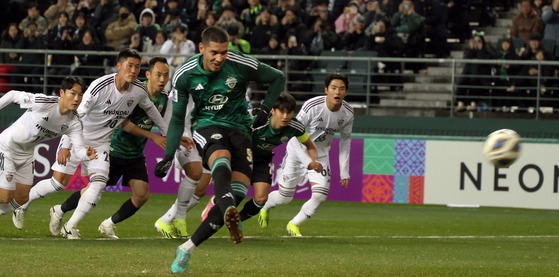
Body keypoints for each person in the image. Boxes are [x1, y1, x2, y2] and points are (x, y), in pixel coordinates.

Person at [153, 26, 285, 273]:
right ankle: (228, 211)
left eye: (224, 52)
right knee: (220, 157)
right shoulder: (185, 74)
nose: (220, 58)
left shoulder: (239, 62)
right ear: (201, 48)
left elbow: (278, 77)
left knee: (237, 192)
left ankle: (187, 249)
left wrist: (265, 109)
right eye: (214, 52)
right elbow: (177, 119)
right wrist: (169, 155)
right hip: (206, 126)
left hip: (241, 129)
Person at [13, 49, 169, 239]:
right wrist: (65, 145)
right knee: (58, 183)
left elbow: (152, 111)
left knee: (98, 184)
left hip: (101, 144)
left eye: (137, 66)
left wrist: (167, 133)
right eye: (129, 65)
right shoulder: (100, 87)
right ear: (118, 66)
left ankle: (70, 227)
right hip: (78, 136)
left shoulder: (139, 90)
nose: (134, 70)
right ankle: (22, 205)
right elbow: (75, 116)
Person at [258, 73, 354, 237]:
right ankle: (265, 207)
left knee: (320, 195)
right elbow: (294, 135)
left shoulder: (348, 113)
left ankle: (294, 224)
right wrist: (308, 161)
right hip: (298, 152)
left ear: (345, 92)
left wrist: (344, 170)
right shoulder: (313, 106)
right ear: (326, 90)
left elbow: (345, 141)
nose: (337, 92)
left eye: (341, 88)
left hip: (321, 155)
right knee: (284, 197)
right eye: (333, 88)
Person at [0, 76, 96, 217]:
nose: (77, 99)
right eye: (73, 93)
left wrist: (86, 155)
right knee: (5, 198)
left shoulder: (74, 122)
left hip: (27, 155)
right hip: (7, 147)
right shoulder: (44, 103)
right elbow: (13, 95)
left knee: (22, 199)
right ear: (62, 93)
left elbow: (79, 149)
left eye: (80, 95)